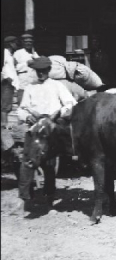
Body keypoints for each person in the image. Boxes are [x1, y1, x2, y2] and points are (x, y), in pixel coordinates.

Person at [14, 56, 77, 216]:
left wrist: (58, 113)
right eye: (38, 71)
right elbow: (21, 109)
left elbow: (71, 103)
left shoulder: (57, 86)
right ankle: (25, 201)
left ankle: (49, 201)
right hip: (35, 127)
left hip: (51, 128)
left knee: (49, 166)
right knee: (28, 162)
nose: (40, 74)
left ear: (48, 71)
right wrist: (26, 116)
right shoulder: (30, 87)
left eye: (43, 71)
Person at [13, 33, 39, 103]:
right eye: (26, 42)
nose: (28, 44)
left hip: (34, 83)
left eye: (30, 42)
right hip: (23, 83)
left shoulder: (35, 53)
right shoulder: (18, 53)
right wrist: (26, 64)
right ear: (22, 43)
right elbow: (14, 68)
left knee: (34, 103)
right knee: (22, 103)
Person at [2, 36, 19, 127]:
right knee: (5, 106)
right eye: (15, 43)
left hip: (10, 84)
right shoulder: (5, 53)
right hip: (6, 83)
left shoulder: (10, 55)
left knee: (7, 106)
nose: (17, 45)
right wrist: (7, 77)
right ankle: (4, 126)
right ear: (11, 44)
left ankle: (5, 125)